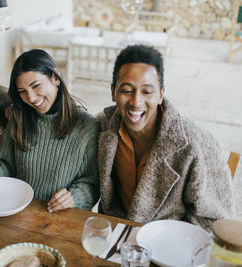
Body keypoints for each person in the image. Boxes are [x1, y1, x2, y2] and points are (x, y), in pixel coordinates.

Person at [97, 45, 234, 230]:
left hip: (171, 247)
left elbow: (216, 221)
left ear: (161, 94)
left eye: (147, 92)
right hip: (112, 239)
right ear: (113, 92)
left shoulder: (194, 145)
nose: (136, 102)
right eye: (127, 90)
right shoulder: (102, 126)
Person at [0, 49, 100, 212]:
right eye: (22, 92)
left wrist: (73, 197)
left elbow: (92, 185)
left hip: (60, 218)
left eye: (36, 85)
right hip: (19, 211)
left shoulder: (87, 126)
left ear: (55, 77)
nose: (31, 98)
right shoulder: (19, 117)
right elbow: (7, 167)